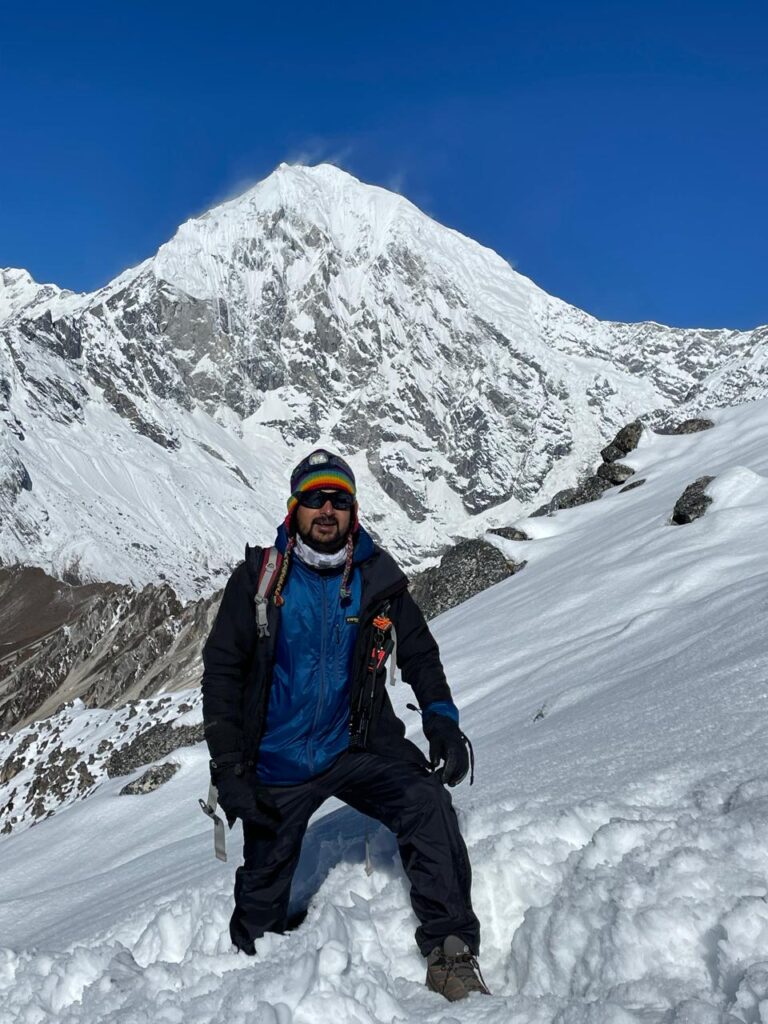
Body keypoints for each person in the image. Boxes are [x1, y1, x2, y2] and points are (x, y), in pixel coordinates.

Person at [201, 449, 489, 1001]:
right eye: (314, 499)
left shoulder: (376, 580)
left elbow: (421, 657)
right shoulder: (260, 581)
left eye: (338, 500)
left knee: (425, 802)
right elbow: (222, 674)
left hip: (353, 746)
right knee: (262, 894)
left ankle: (450, 947)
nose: (326, 510)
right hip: (277, 763)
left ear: (353, 511)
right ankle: (242, 980)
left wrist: (443, 722)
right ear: (294, 510)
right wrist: (230, 767)